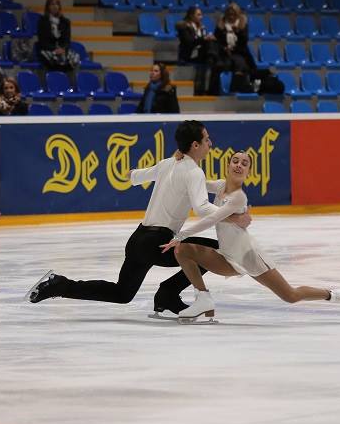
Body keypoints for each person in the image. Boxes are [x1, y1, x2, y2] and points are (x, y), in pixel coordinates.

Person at [25, 121, 252, 315]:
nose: (210, 144)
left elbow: (132, 177)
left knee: (122, 293)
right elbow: (202, 208)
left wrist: (180, 167)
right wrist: (232, 217)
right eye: (206, 140)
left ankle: (59, 285)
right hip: (157, 243)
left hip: (138, 240)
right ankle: (168, 294)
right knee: (215, 252)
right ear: (195, 145)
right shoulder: (193, 172)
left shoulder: (168, 164)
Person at [159, 151, 340, 321]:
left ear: (248, 171)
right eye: (235, 161)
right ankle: (202, 297)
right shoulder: (221, 185)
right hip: (227, 256)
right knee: (183, 250)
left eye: (244, 163)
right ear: (228, 165)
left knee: (290, 296)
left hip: (249, 256)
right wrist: (181, 160)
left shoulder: (239, 198)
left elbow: (210, 219)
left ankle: (334, 294)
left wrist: (181, 234)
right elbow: (196, 179)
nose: (239, 165)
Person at [212, 2, 256, 95]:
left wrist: (237, 32)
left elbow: (244, 42)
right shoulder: (221, 25)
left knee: (241, 64)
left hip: (239, 52)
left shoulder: (242, 24)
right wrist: (224, 48)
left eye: (233, 14)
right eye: (229, 14)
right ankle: (215, 92)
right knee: (219, 65)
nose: (231, 16)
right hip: (223, 52)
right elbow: (216, 41)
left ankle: (237, 88)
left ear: (237, 14)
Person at [175, 6, 215, 96]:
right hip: (189, 53)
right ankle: (211, 58)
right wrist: (204, 38)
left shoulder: (202, 27)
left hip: (200, 53)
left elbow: (202, 40)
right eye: (199, 15)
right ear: (191, 15)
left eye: (201, 15)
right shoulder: (184, 27)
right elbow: (189, 42)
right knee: (209, 46)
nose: (201, 17)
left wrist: (206, 38)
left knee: (211, 43)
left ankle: (203, 90)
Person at [37, 0, 80, 72]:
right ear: (48, 7)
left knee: (75, 58)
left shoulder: (65, 22)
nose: (55, 6)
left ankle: (68, 80)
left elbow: (67, 40)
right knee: (52, 58)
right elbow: (42, 41)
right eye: (52, 4)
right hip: (48, 49)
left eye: (57, 4)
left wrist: (63, 49)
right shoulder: (43, 21)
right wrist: (54, 49)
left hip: (62, 49)